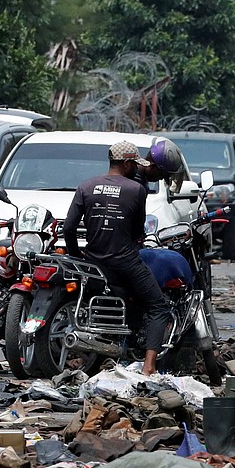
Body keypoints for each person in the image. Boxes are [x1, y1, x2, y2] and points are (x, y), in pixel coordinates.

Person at [63, 140, 169, 376]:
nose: (137, 169)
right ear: (128, 163)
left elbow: (69, 228)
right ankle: (149, 366)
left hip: (94, 263)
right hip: (126, 263)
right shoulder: (136, 190)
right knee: (158, 306)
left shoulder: (86, 186)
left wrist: (77, 257)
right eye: (135, 165)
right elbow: (137, 232)